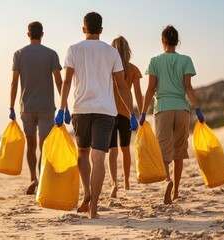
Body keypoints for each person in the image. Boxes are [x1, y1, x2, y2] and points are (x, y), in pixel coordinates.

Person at [55, 12, 138, 219]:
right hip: (105, 112)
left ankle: (87, 192)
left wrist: (62, 107)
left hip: (81, 110)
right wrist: (131, 113)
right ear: (101, 30)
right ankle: (94, 209)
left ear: (84, 29)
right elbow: (121, 86)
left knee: (82, 152)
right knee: (99, 157)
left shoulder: (73, 49)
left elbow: (66, 81)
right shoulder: (112, 53)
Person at [140, 25, 205, 205]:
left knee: (164, 151)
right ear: (177, 41)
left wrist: (143, 113)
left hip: (163, 109)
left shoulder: (155, 61)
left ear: (163, 40)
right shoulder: (186, 60)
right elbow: (188, 87)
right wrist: (198, 109)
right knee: (179, 150)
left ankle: (168, 181)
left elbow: (150, 88)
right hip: (182, 110)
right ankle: (176, 191)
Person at [10, 21, 68, 195]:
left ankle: (33, 178)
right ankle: (42, 178)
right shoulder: (51, 54)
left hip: (26, 107)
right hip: (46, 108)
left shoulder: (19, 54)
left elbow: (14, 83)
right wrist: (64, 107)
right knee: (44, 146)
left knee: (31, 145)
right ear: (42, 34)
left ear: (28, 34)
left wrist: (11, 106)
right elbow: (59, 81)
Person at [108, 36, 143, 198]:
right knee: (125, 149)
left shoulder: (109, 68)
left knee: (112, 150)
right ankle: (127, 182)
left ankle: (114, 183)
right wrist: (140, 113)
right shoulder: (133, 69)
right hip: (126, 113)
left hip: (109, 112)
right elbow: (137, 93)